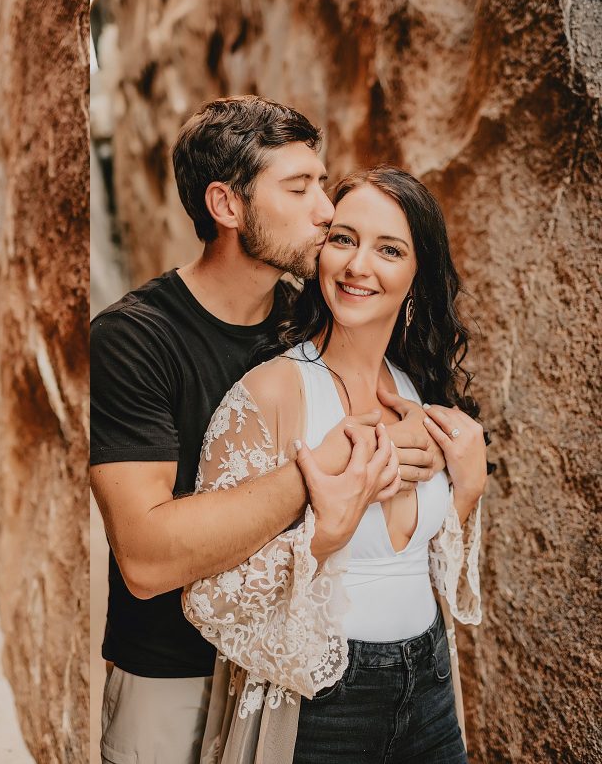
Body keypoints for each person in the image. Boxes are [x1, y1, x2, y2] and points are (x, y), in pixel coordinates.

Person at [90, 96, 445, 763]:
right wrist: (325, 471)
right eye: (299, 187)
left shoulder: (308, 321)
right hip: (175, 680)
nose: (325, 209)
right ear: (226, 206)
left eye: (322, 182)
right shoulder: (134, 338)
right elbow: (144, 557)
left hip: (287, 677)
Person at [183, 167, 486, 763]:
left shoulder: (417, 389)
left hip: (429, 688)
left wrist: (467, 490)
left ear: (417, 275)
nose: (357, 266)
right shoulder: (271, 393)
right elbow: (208, 600)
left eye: (389, 249)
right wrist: (323, 539)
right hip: (324, 701)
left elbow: (425, 569)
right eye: (343, 239)